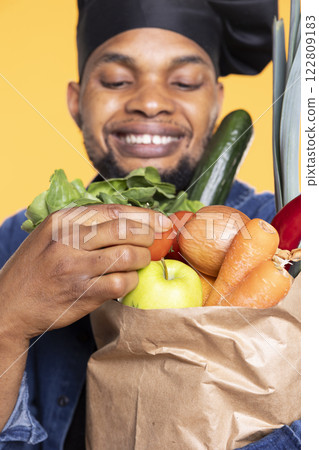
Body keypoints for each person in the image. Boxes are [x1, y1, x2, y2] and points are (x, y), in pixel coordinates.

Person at [0, 0, 300, 448]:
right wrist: (6, 318)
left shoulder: (285, 240)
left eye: (184, 82)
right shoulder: (14, 244)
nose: (151, 102)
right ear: (76, 101)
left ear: (216, 101)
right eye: (118, 80)